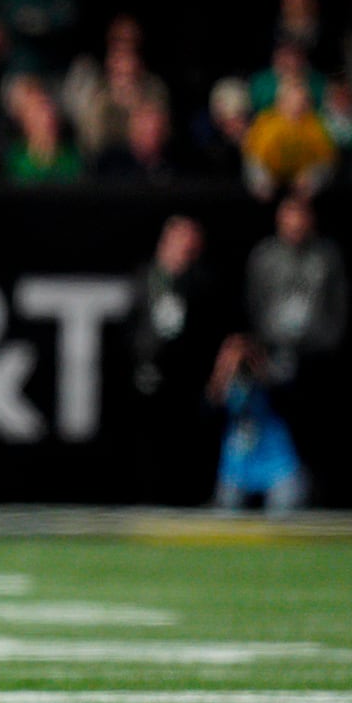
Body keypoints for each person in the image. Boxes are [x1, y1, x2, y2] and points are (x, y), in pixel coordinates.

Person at [244, 195, 347, 483]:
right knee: (276, 425)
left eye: (300, 217)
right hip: (275, 356)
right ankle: (280, 484)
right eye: (288, 217)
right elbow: (255, 304)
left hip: (317, 358)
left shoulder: (326, 256)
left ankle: (316, 488)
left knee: (318, 427)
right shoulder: (264, 257)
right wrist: (265, 345)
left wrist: (325, 342)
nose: (294, 225)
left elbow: (337, 306)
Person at [124, 216, 224, 505]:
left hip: (188, 385)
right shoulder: (145, 277)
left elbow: (209, 333)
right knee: (148, 453)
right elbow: (132, 327)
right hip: (149, 384)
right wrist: (140, 362)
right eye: (180, 242)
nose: (184, 250)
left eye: (191, 246)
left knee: (187, 452)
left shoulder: (202, 283)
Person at [206, 333, 307, 513]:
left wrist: (257, 364)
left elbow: (285, 396)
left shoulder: (273, 375)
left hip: (278, 466)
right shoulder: (226, 383)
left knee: (283, 527)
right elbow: (209, 409)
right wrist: (224, 367)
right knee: (223, 524)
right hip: (236, 468)